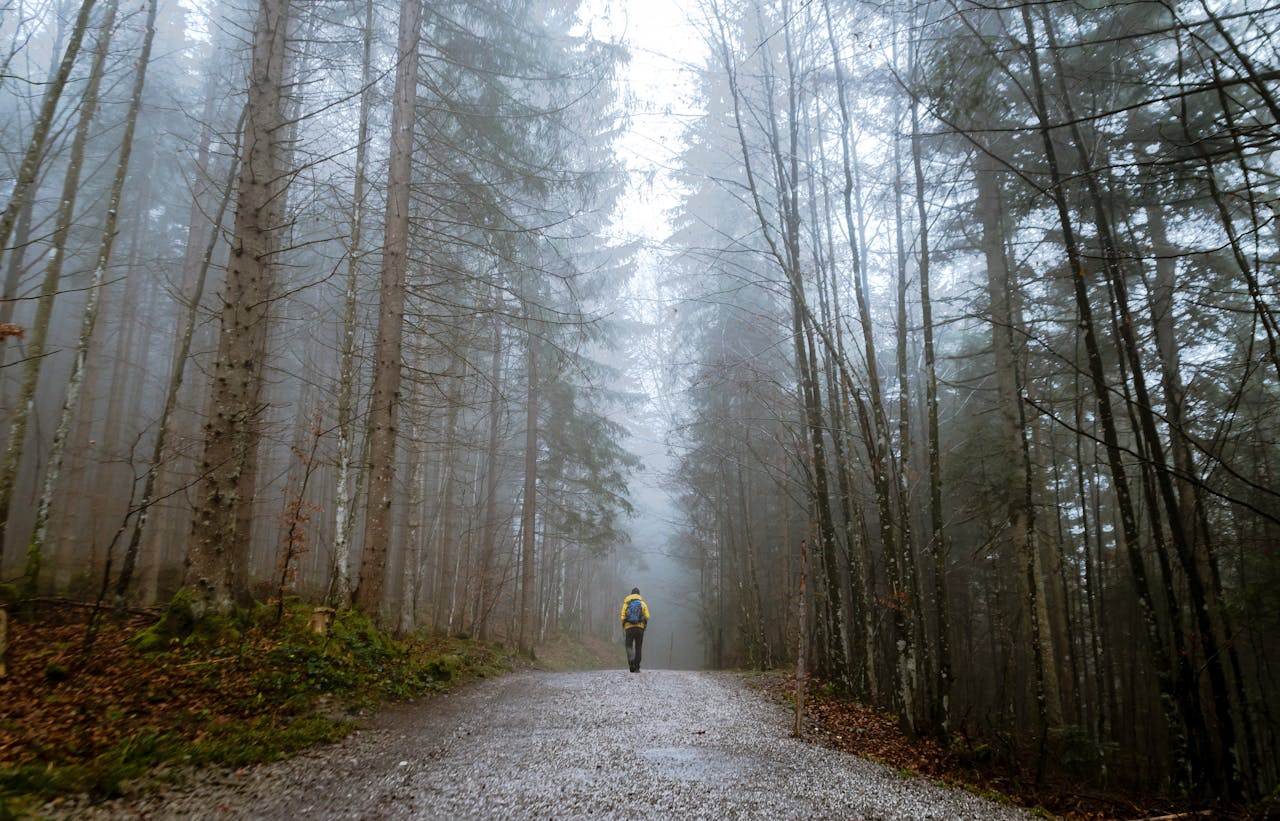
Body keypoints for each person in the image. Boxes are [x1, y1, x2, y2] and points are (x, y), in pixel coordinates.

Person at [620, 587, 650, 673]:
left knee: (629, 646)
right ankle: (637, 667)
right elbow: (647, 616)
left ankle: (631, 663)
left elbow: (622, 616)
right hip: (640, 628)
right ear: (639, 594)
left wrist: (625, 623)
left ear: (631, 594)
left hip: (629, 628)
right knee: (638, 647)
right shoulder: (642, 603)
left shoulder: (626, 603)